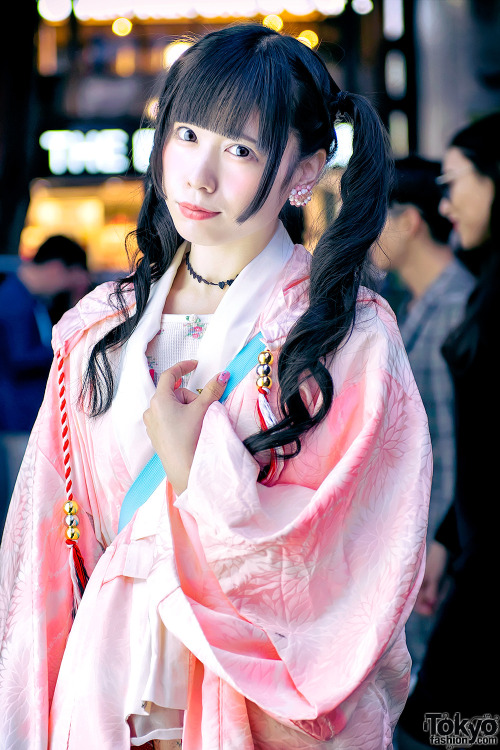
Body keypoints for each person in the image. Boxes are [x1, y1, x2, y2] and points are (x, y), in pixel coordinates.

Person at [0, 24, 431, 749]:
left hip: (249, 713)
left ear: (304, 172)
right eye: (187, 133)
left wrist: (195, 465)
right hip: (100, 698)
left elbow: (353, 561)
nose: (197, 176)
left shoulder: (347, 337)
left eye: (240, 150)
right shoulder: (98, 330)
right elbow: (51, 546)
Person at [397, 112, 500, 748]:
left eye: (456, 182)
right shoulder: (478, 291)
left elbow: (460, 451)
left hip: (479, 575)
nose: (447, 202)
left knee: (442, 729)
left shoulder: (468, 300)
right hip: (463, 558)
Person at [374, 157, 475, 686]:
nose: (362, 229)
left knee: (449, 721)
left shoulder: (456, 310)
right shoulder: (413, 307)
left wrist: (440, 544)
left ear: (409, 221)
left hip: (441, 563)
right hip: (423, 554)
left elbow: (458, 451)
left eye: (373, 214)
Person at [0, 235, 89, 537]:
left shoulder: (25, 296)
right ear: (55, 268)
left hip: (22, 415)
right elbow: (19, 358)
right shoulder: (13, 299)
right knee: (20, 503)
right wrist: (65, 342)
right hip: (17, 417)